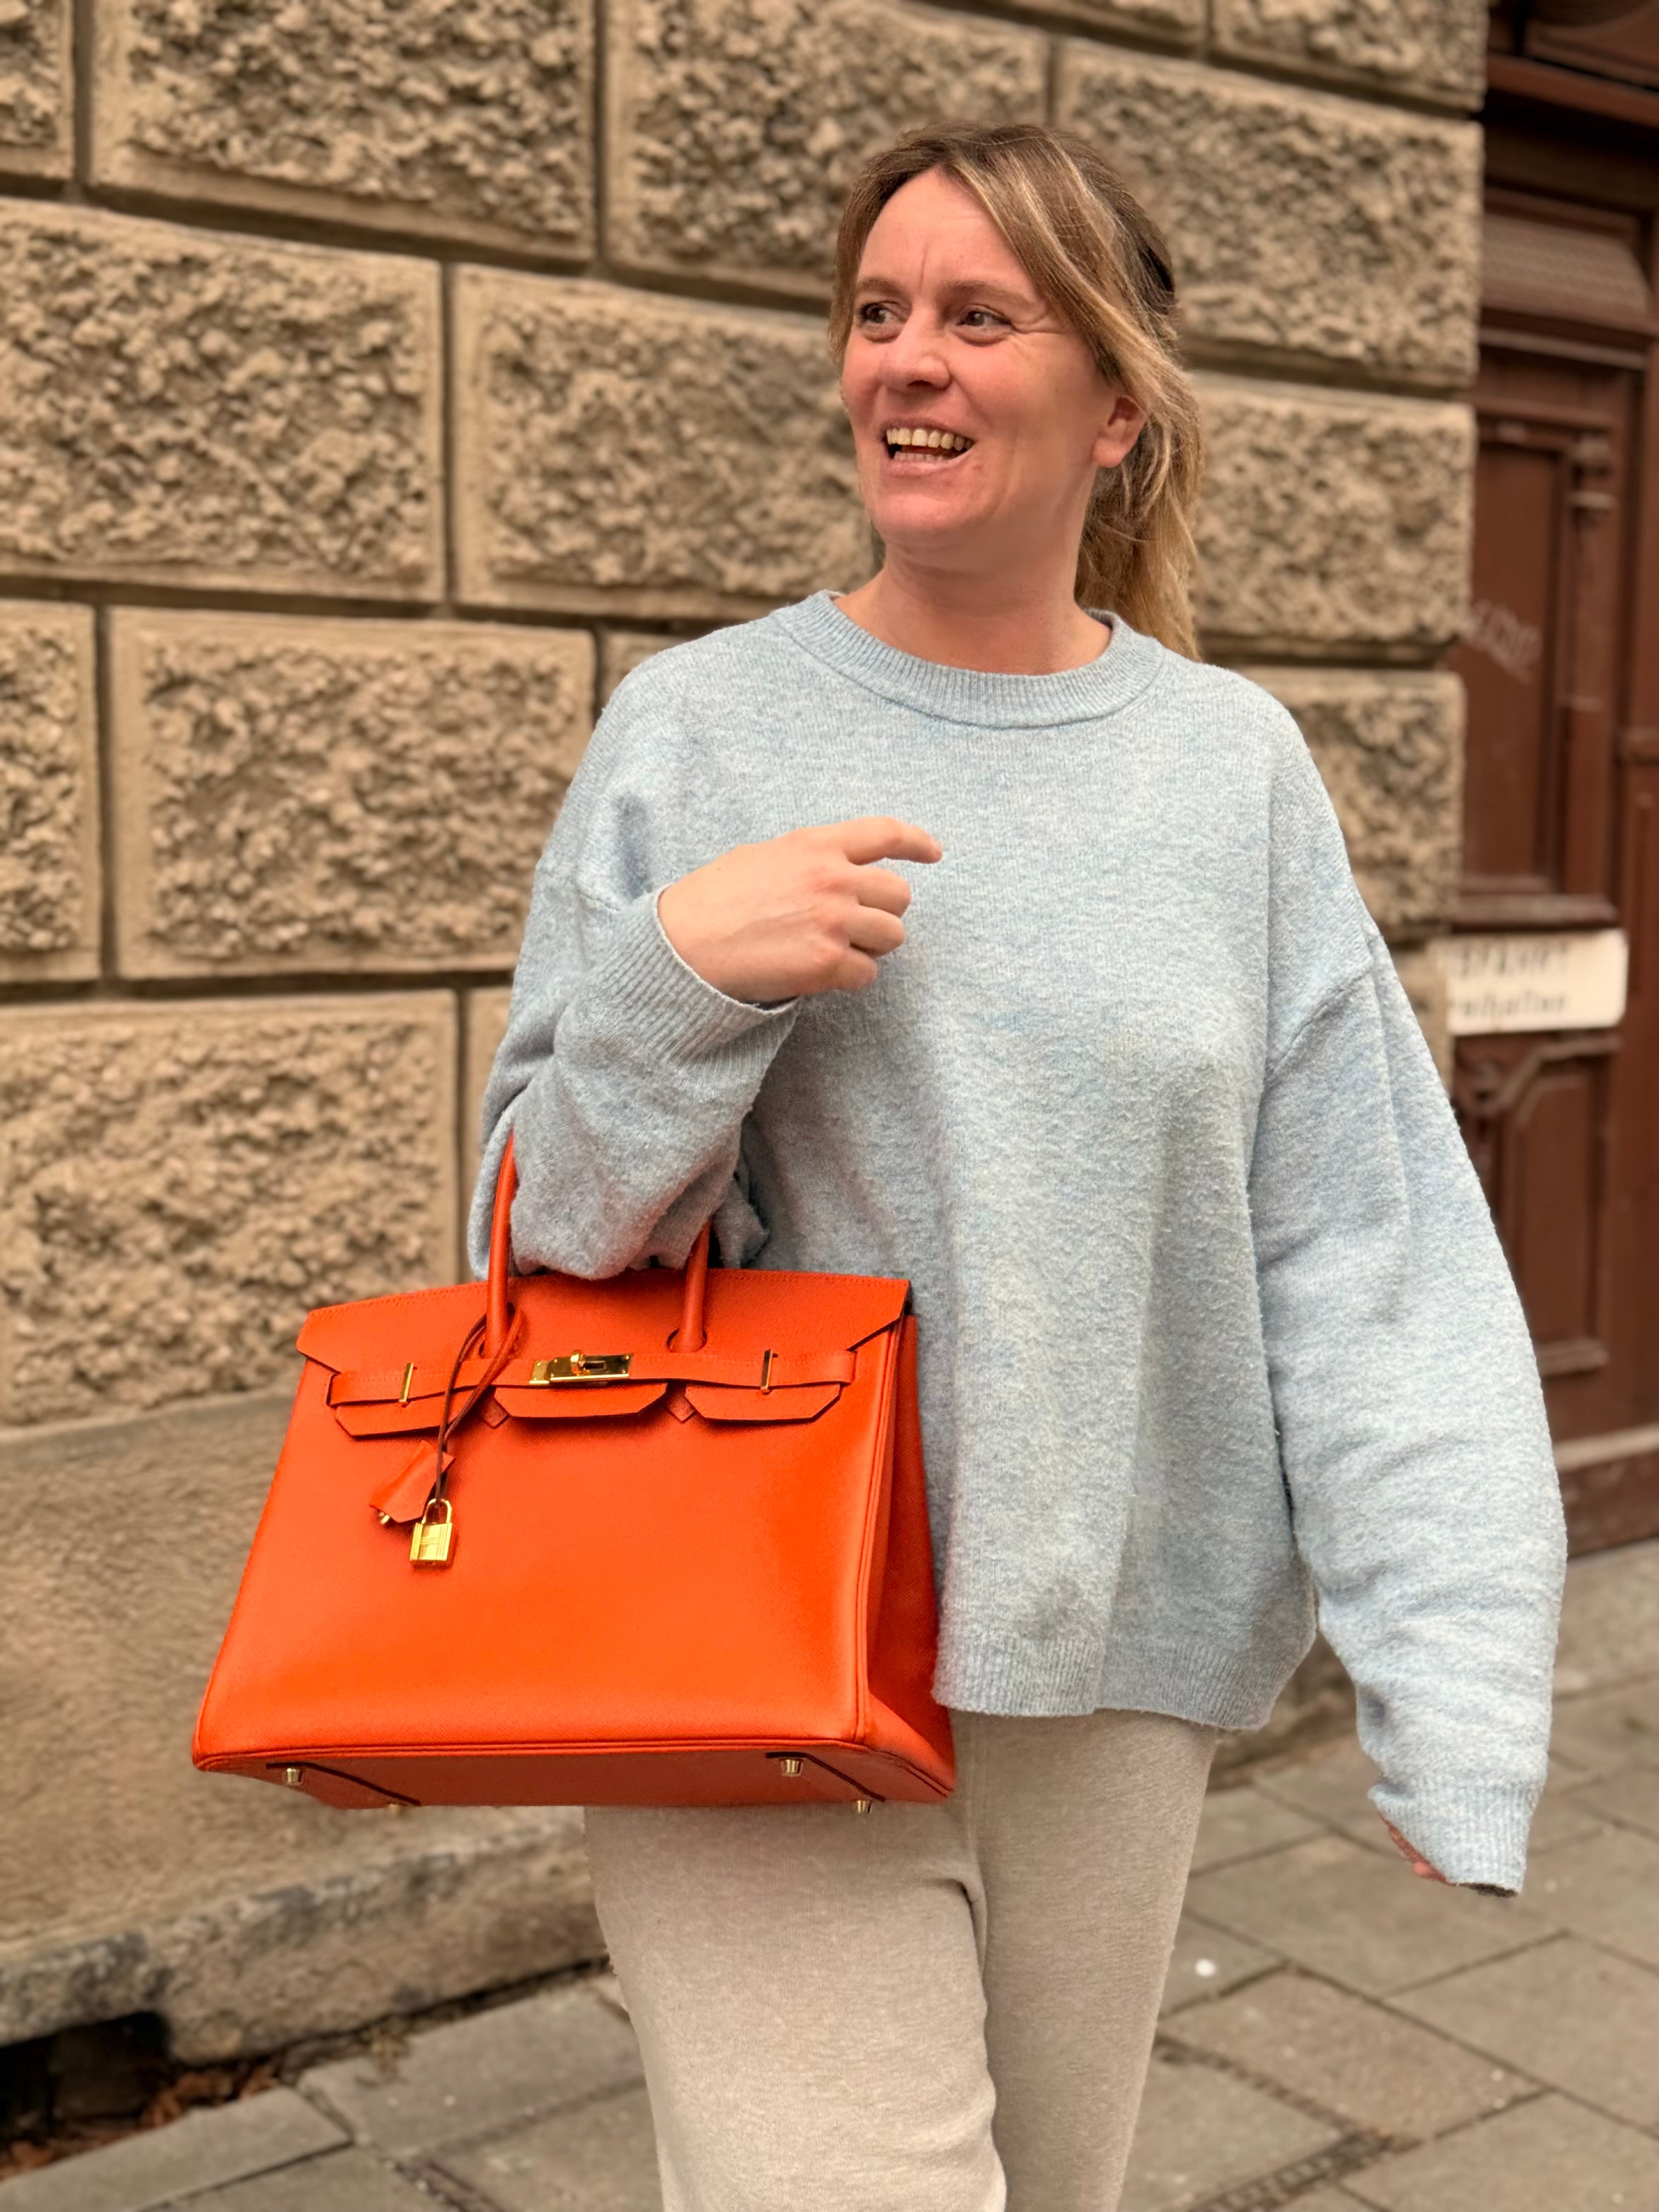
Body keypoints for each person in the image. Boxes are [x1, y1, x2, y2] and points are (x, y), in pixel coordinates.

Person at [468, 122, 1566, 2212]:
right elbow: (537, 1243)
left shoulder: (1232, 772)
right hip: (755, 1651)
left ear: (1117, 411)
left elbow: (1365, 1249)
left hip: (1115, 1681)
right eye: (879, 312)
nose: (909, 359)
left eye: (982, 316)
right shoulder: (697, 729)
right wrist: (676, 983)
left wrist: (1456, 1675)